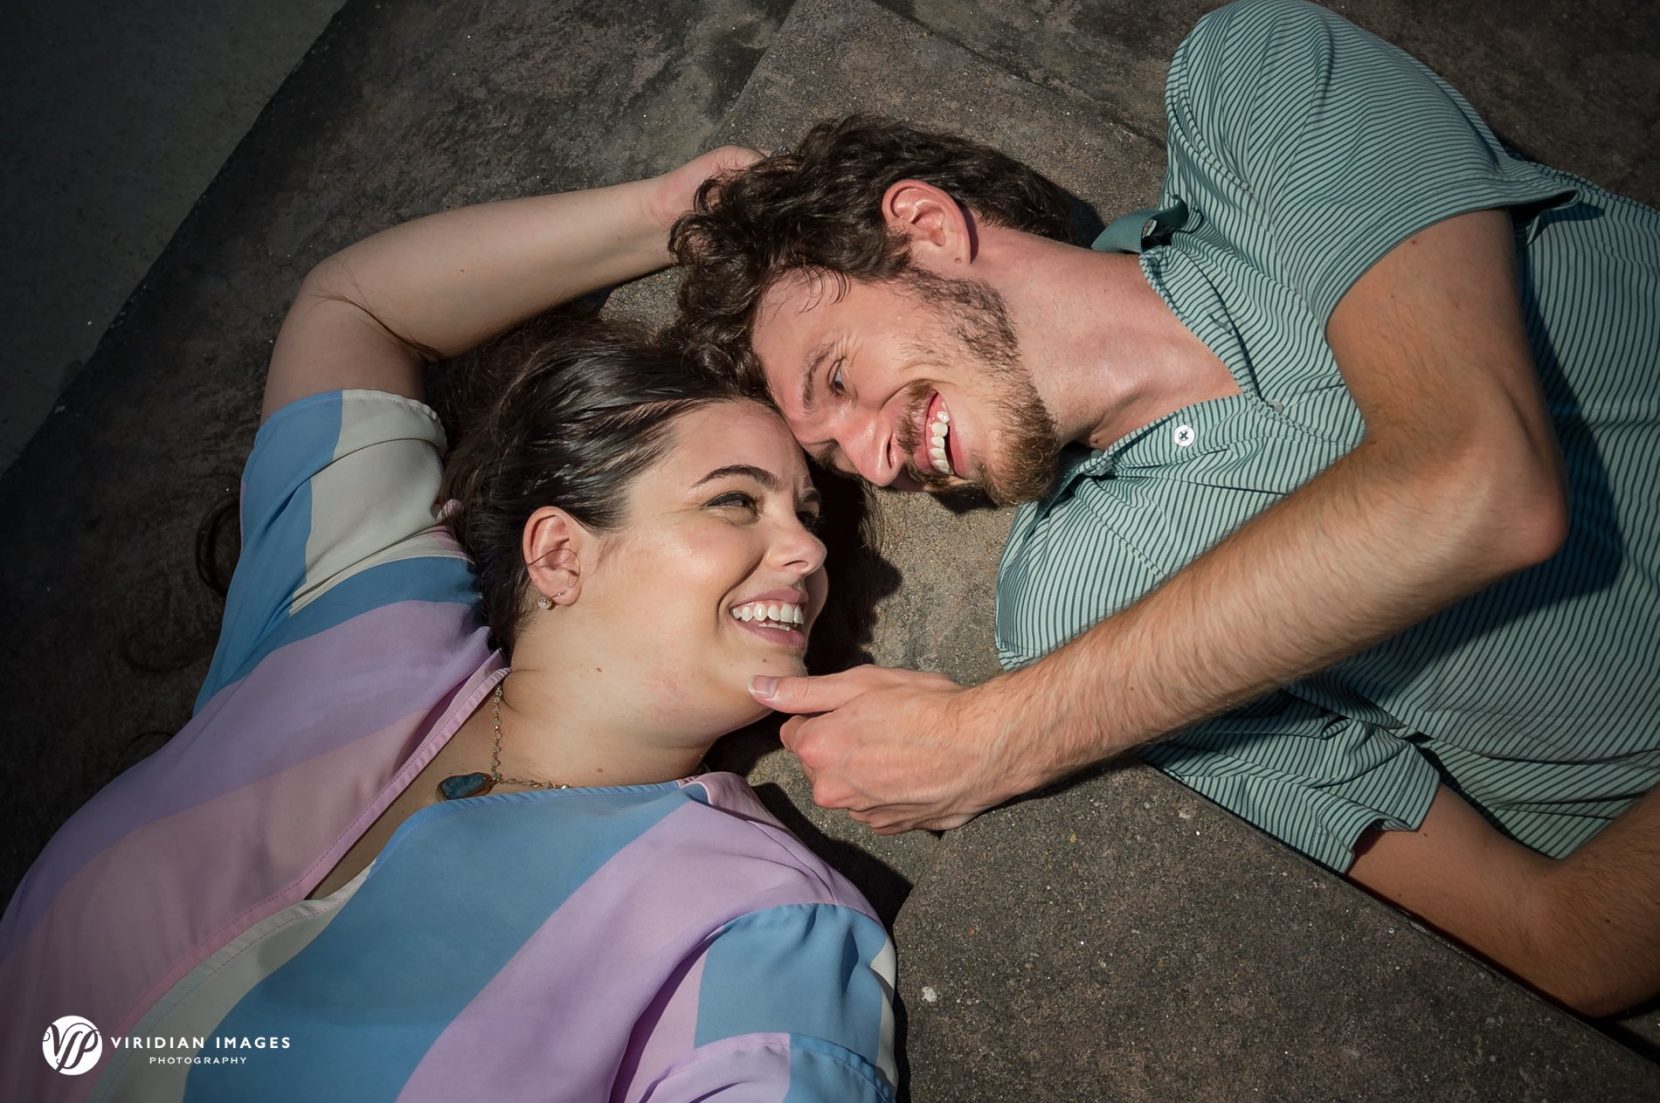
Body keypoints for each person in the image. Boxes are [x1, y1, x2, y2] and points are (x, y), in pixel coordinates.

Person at [667, 0, 1660, 1016]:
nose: (875, 463)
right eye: (837, 460)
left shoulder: (1257, 92)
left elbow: (1478, 481)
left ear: (924, 225)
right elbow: (1562, 942)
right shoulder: (1069, 608)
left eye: (839, 380)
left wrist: (993, 736)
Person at [0, 149, 898, 1102]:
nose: (807, 552)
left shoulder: (760, 920)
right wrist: (678, 215)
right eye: (735, 502)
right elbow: (357, 309)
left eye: (806, 517)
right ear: (559, 554)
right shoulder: (361, 603)